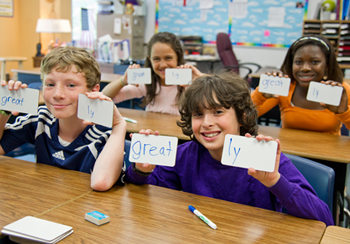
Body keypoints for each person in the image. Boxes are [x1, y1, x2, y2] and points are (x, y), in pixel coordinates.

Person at [124, 72, 334, 226]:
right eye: (198, 114)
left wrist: (275, 182)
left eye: (218, 112)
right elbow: (145, 195)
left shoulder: (263, 157)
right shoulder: (186, 155)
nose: (206, 122)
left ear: (242, 116)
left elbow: (324, 218)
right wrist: (142, 170)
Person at [0, 46, 127, 192]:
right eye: (50, 84)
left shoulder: (106, 134)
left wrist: (119, 125)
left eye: (71, 85)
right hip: (46, 204)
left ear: (93, 91)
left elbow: (100, 183)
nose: (57, 94)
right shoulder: (41, 119)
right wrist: (3, 110)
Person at [251, 35, 350, 135]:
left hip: (328, 150)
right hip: (288, 149)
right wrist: (260, 95)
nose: (305, 68)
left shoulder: (340, 91)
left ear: (327, 65)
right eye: (298, 62)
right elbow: (243, 117)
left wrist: (344, 113)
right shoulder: (284, 87)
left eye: (314, 62)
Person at [102, 32, 203, 115]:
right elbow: (106, 96)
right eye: (156, 59)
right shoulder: (147, 83)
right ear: (150, 60)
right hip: (152, 134)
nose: (163, 65)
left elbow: (217, 98)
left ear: (178, 57)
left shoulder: (188, 83)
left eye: (168, 58)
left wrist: (200, 78)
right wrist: (123, 81)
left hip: (179, 137)